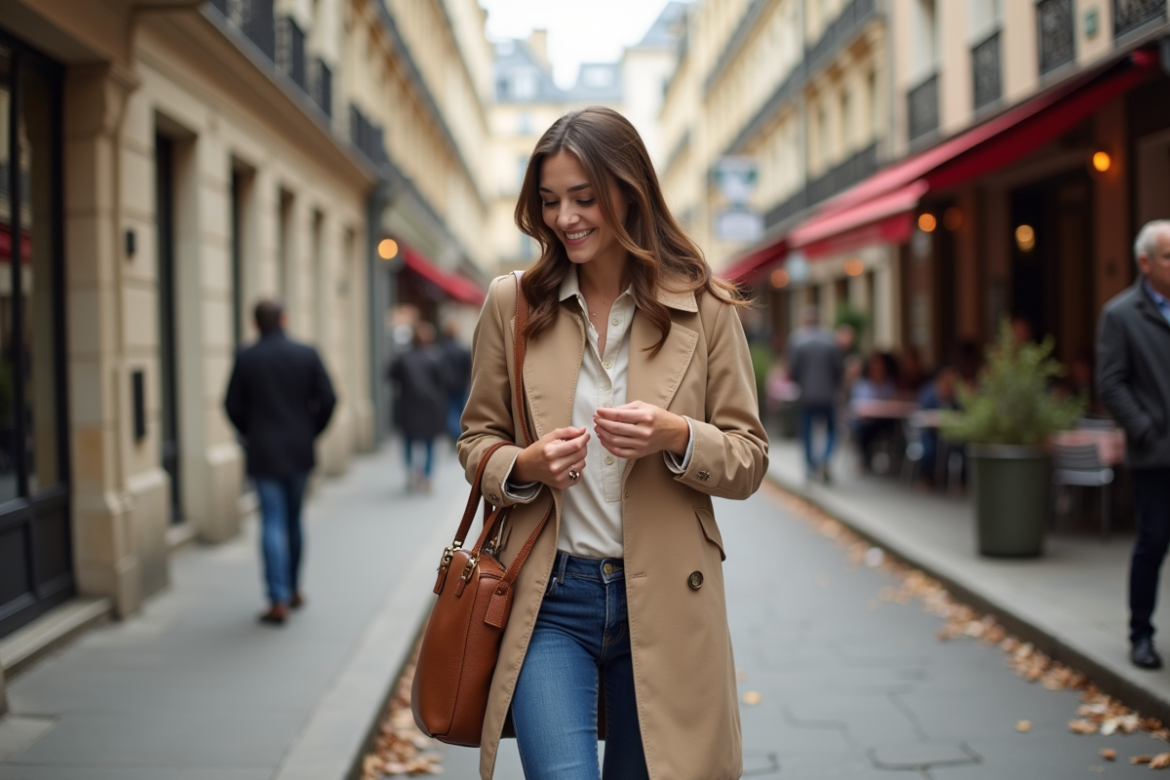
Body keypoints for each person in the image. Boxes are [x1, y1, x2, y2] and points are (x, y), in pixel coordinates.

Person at [458, 107, 768, 780]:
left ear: (629, 191)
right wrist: (524, 465)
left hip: (665, 599)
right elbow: (476, 437)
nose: (565, 216)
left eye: (583, 197)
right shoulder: (512, 305)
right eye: (549, 200)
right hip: (547, 598)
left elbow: (749, 458)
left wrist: (677, 435)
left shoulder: (705, 307)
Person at [224, 299, 336, 626]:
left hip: (263, 451)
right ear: (284, 320)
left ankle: (278, 597)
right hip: (299, 449)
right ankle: (294, 588)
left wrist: (251, 432)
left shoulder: (246, 357)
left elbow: (231, 405)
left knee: (271, 520)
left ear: (255, 323)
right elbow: (328, 399)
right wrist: (311, 431)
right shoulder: (306, 353)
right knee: (293, 519)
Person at [1097, 219, 1170, 671]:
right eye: (1168, 256)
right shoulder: (1120, 314)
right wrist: (1145, 428)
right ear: (1145, 263)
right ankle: (1140, 634)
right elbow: (1111, 383)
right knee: (1153, 543)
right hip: (1155, 453)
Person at [388, 321, 449, 492]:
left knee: (408, 440)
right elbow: (444, 380)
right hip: (431, 406)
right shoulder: (436, 356)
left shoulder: (403, 357)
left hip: (409, 405)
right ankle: (427, 477)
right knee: (429, 443)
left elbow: (391, 375)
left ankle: (410, 473)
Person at [788, 306, 844, 483]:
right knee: (832, 430)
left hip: (806, 395)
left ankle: (811, 467)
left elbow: (793, 370)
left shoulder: (797, 340)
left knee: (807, 432)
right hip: (828, 395)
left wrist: (801, 383)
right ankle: (825, 458)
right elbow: (839, 369)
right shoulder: (830, 340)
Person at [849, 351, 898, 472]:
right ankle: (864, 459)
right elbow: (856, 407)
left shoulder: (888, 385)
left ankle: (895, 461)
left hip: (882, 420)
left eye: (880, 368)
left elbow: (892, 402)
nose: (877, 370)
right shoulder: (861, 385)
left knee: (894, 428)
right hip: (865, 421)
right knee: (864, 429)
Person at [439, 319, 473, 444]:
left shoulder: (440, 349)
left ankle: (455, 434)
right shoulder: (462, 349)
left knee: (450, 410)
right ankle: (457, 434)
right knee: (459, 410)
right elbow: (469, 367)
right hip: (461, 385)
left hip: (447, 386)